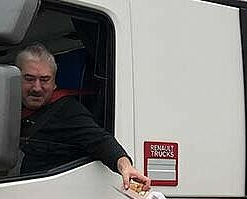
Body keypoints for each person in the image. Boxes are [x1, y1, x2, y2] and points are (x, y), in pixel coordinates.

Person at [16, 43, 148, 188]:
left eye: (44, 80)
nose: (37, 88)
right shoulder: (5, 105)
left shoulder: (67, 110)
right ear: (15, 79)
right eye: (29, 79)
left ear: (54, 84)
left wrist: (125, 166)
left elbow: (100, 140)